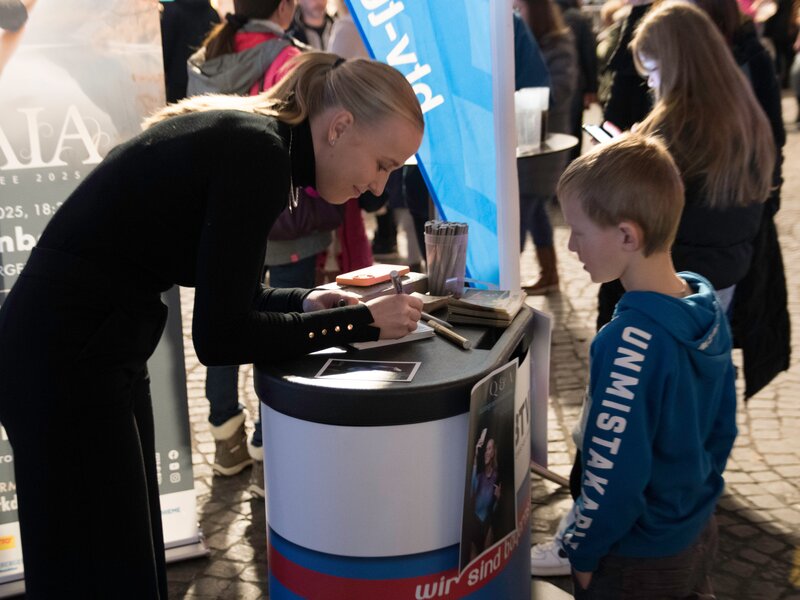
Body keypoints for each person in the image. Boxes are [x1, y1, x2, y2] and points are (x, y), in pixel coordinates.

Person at [0, 52, 424, 599]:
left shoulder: (261, 142)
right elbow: (221, 338)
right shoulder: (261, 154)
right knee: (100, 572)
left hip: (85, 350)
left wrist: (311, 300)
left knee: (127, 557)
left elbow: (235, 298)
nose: (379, 190)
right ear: (340, 127)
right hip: (65, 361)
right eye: (384, 164)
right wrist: (359, 323)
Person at [556, 134, 737, 599]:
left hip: (639, 557)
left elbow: (611, 470)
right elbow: (722, 428)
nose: (572, 245)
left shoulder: (626, 344)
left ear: (626, 235)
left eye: (578, 230)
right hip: (694, 529)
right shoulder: (705, 303)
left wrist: (582, 552)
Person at [187, 0, 333, 497]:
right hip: (288, 222)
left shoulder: (206, 59)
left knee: (225, 315)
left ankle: (225, 437)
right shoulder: (292, 58)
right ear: (286, 6)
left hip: (222, 222)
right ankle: (269, 445)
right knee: (281, 335)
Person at [515, 0, 578, 295]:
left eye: (519, 8)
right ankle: (549, 273)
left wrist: (518, 91)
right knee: (535, 208)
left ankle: (503, 280)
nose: (514, 15)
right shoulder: (523, 41)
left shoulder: (556, 43)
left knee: (522, 208)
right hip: (526, 141)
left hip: (543, 145)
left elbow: (561, 90)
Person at [159, 0, 220, 103]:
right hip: (205, 80)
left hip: (178, 81)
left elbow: (166, 47)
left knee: (179, 116)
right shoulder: (212, 13)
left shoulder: (172, 11)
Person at [469, 432, 502, 559]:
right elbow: (471, 491)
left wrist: (499, 499)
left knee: (487, 558)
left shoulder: (497, 477)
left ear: (494, 452)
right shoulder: (479, 477)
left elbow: (495, 510)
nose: (486, 452)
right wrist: (476, 457)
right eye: (485, 449)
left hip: (488, 522)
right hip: (475, 521)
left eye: (489, 449)